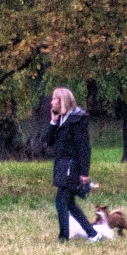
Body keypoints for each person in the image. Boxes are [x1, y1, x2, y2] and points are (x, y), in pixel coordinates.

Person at [46, 86, 101, 242]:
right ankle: (93, 234)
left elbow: (84, 148)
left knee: (61, 201)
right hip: (62, 166)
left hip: (72, 167)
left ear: (63, 100)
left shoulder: (77, 119)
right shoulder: (61, 119)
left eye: (54, 99)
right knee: (69, 203)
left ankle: (64, 237)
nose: (51, 102)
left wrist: (84, 173)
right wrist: (53, 122)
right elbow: (48, 142)